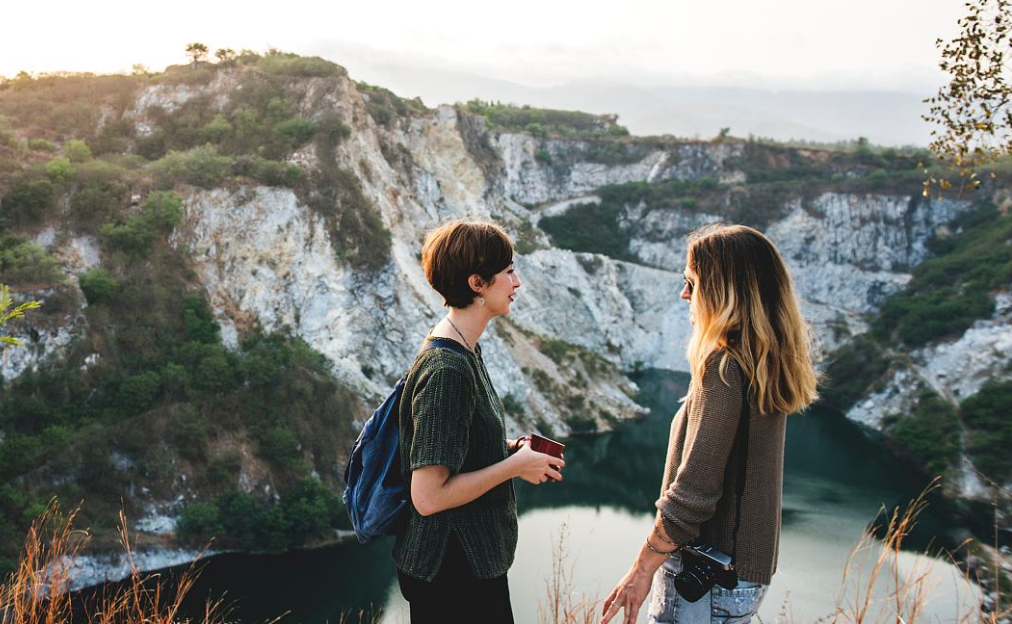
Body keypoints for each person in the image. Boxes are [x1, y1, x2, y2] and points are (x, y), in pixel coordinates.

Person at [600, 224, 819, 624]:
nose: (684, 294)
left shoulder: (723, 366)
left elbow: (694, 493)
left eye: (692, 282)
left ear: (723, 290)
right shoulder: (764, 362)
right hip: (742, 576)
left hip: (704, 578)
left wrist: (642, 567)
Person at [394, 219, 565, 624]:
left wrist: (510, 453)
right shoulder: (448, 368)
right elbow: (428, 497)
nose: (516, 282)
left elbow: (456, 452)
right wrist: (514, 467)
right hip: (452, 571)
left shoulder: (463, 348)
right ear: (477, 283)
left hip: (466, 563)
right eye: (508, 272)